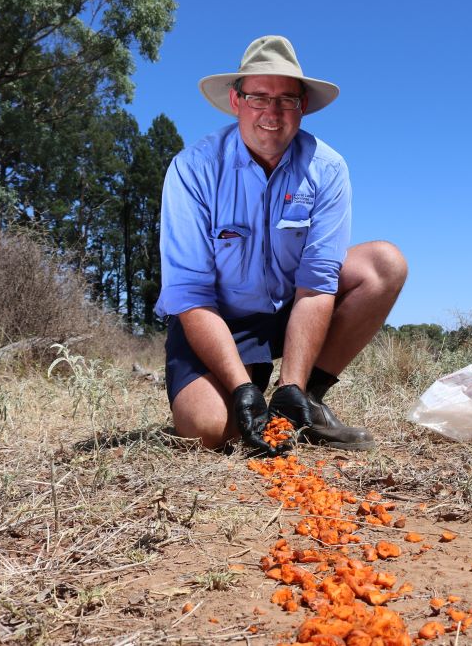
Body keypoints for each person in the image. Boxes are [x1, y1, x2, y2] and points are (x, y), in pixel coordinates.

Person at [154, 35, 407, 454]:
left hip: (289, 307)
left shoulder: (327, 168)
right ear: (236, 101)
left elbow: (316, 285)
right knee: (208, 430)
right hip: (217, 316)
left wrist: (290, 382)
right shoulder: (192, 169)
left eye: (286, 99)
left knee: (384, 264)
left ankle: (304, 398)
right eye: (258, 97)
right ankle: (246, 386)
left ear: (302, 106)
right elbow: (191, 296)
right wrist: (240, 387)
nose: (271, 112)